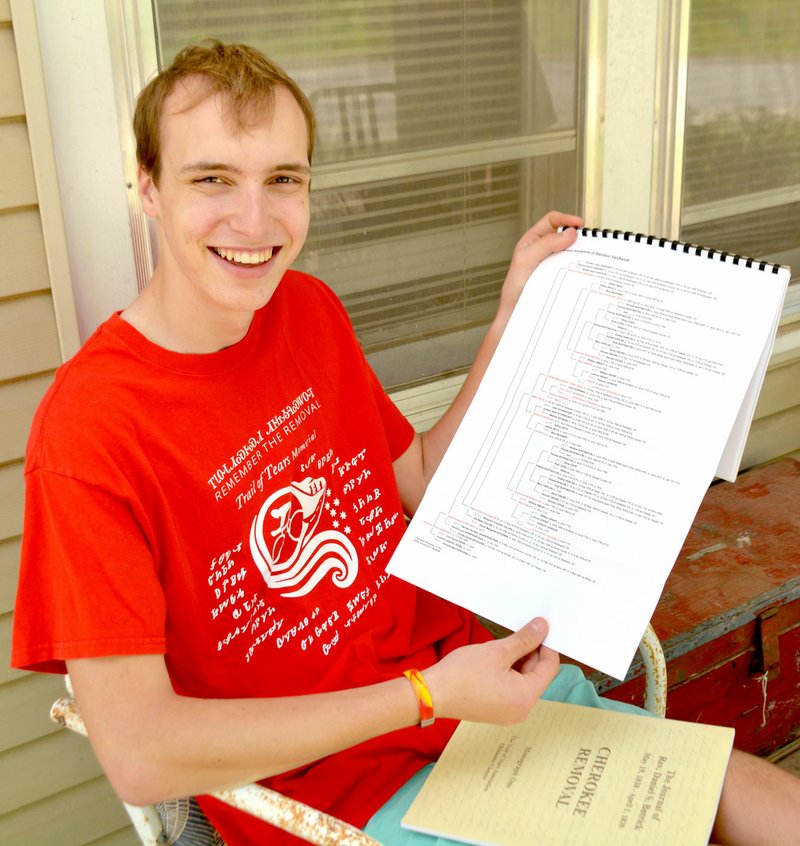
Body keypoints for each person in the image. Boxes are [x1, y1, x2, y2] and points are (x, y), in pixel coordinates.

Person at [10, 40, 800, 846]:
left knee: (744, 795)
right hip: (341, 792)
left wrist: (510, 321)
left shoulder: (305, 311)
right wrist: (426, 697)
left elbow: (417, 476)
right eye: (212, 178)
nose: (255, 220)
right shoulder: (91, 431)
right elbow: (140, 756)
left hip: (477, 697)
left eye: (283, 178)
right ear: (147, 186)